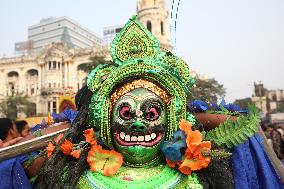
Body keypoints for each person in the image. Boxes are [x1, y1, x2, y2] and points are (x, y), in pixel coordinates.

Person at [0, 118, 46, 189]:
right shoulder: (18, 153)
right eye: (28, 131)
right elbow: (44, 167)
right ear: (11, 131)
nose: (30, 133)